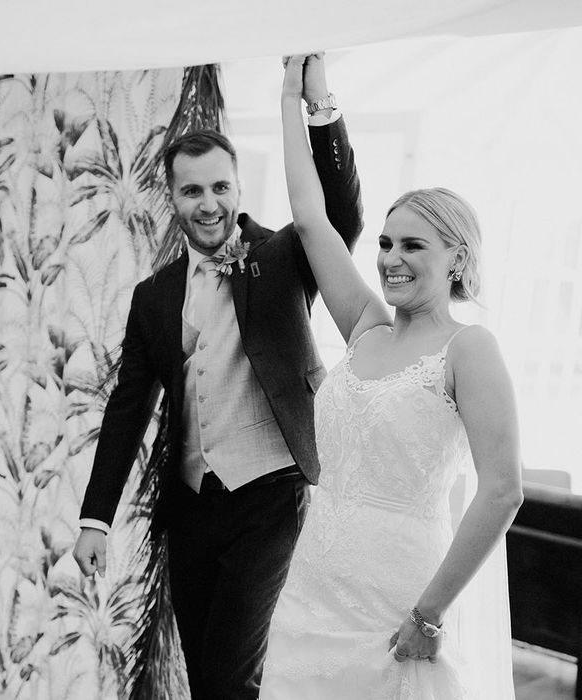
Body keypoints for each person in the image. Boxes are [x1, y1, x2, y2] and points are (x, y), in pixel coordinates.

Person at [72, 55, 363, 700]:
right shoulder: (154, 297)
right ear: (171, 197)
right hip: (191, 503)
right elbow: (127, 408)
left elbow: (340, 216)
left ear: (238, 186)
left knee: (231, 677)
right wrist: (96, 518)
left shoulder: (285, 257)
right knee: (209, 678)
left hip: (269, 496)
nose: (208, 204)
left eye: (219, 187)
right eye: (191, 190)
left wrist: (318, 104)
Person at [261, 54, 524, 700]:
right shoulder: (367, 327)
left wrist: (430, 613)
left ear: (458, 259)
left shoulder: (470, 349)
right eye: (384, 243)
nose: (390, 259)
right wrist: (297, 97)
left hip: (396, 603)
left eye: (413, 246)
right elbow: (310, 214)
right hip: (313, 587)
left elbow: (502, 491)